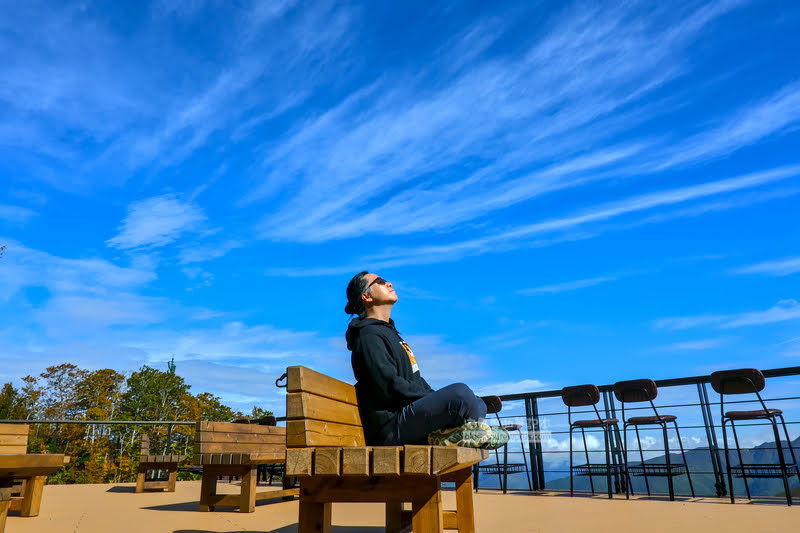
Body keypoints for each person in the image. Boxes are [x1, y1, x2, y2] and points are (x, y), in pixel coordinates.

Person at [344, 271, 508, 448]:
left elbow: (416, 379)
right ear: (366, 297)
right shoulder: (368, 336)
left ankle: (458, 434)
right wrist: (436, 400)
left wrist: (435, 398)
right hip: (391, 428)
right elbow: (388, 386)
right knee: (461, 394)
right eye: (381, 282)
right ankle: (468, 433)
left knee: (475, 401)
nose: (389, 283)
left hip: (407, 419)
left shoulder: (390, 333)